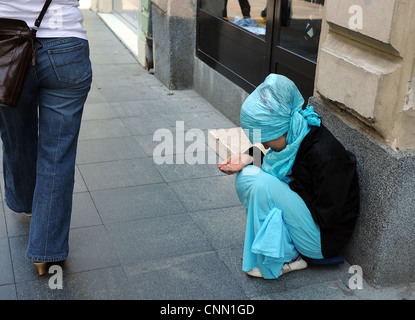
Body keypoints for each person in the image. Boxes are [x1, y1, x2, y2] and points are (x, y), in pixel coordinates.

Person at [217, 74, 359, 279]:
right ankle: (283, 247)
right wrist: (249, 156)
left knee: (263, 184)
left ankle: (288, 257)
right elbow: (280, 165)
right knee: (246, 176)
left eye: (265, 138)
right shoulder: (295, 134)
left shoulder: (324, 154)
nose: (264, 145)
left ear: (280, 128)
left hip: (322, 239)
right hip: (305, 220)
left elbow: (328, 217)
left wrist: (290, 184)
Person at [0, 0, 92, 275]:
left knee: (16, 136)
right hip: (66, 42)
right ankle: (46, 253)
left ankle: (26, 203)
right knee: (58, 153)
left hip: (4, 42)